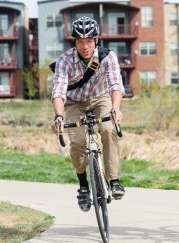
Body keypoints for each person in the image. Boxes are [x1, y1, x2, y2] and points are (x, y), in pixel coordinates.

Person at [50, 16, 125, 212]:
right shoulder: (64, 61)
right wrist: (58, 116)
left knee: (108, 129)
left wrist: (115, 108)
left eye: (89, 41)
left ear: (96, 41)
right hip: (75, 102)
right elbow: (58, 91)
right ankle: (83, 186)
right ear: (74, 42)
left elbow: (116, 85)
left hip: (101, 98)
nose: (85, 46)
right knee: (78, 141)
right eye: (80, 41)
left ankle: (114, 180)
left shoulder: (108, 57)